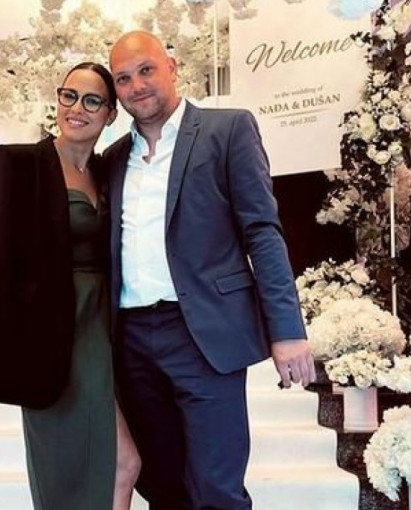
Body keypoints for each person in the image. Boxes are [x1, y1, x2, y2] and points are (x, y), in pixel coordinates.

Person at [105, 31, 316, 510]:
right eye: (123, 78)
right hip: (131, 341)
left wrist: (287, 330)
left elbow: (262, 232)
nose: (137, 86)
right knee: (162, 487)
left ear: (172, 66)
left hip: (202, 334)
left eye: (146, 70)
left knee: (217, 487)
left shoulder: (229, 130)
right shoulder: (114, 159)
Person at [0, 62, 140, 510]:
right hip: (49, 338)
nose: (77, 108)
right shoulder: (17, 162)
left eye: (92, 101)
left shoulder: (109, 171)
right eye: (69, 96)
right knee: (101, 466)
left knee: (121, 466)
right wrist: (1, 350)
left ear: (110, 114)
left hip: (106, 332)